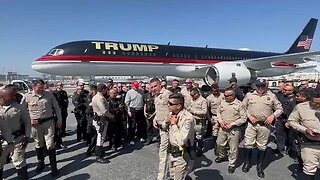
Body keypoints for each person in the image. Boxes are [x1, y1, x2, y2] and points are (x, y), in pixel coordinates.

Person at [241, 79, 283, 178]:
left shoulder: (271, 96)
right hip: (251, 124)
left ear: (265, 86)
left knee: (262, 146)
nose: (260, 88)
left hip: (265, 125)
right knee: (248, 143)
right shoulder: (249, 95)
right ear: (256, 86)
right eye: (258, 86)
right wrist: (249, 116)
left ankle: (260, 166)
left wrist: (272, 116)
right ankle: (247, 163)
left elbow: (280, 108)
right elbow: (242, 107)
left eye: (262, 86)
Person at [21, 79, 62, 176]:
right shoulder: (27, 97)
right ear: (33, 87)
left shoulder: (49, 95)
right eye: (39, 88)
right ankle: (41, 163)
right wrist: (29, 121)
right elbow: (22, 111)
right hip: (35, 125)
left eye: (43, 87)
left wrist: (59, 120)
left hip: (48, 123)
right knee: (39, 144)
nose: (42, 89)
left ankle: (54, 167)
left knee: (50, 144)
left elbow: (56, 108)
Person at [288, 89, 320, 180]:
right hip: (309, 144)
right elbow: (291, 121)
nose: (317, 106)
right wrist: (305, 130)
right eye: (315, 103)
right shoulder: (301, 107)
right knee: (309, 169)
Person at [0, 87, 31, 179]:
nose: (13, 98)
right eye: (11, 96)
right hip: (1, 141)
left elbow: (27, 122)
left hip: (17, 139)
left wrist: (27, 136)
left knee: (19, 161)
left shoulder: (19, 107)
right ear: (2, 96)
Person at [215, 88, 246, 174]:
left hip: (233, 129)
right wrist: (220, 121)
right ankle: (222, 156)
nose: (225, 97)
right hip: (223, 127)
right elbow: (218, 113)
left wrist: (232, 124)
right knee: (219, 144)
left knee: (233, 148)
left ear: (233, 95)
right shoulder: (222, 102)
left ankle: (232, 164)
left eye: (227, 96)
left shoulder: (239, 104)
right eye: (224, 95)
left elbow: (243, 118)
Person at [165, 93, 195, 180]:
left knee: (179, 178)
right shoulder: (172, 113)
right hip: (171, 152)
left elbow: (181, 141)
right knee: (173, 176)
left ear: (178, 106)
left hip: (182, 155)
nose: (168, 105)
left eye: (170, 104)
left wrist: (174, 124)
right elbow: (164, 126)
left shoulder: (187, 118)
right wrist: (166, 122)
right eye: (168, 103)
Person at [150, 78, 172, 180]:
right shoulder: (156, 96)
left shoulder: (168, 94)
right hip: (161, 128)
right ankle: (166, 174)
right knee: (165, 152)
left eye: (155, 86)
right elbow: (159, 110)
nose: (153, 89)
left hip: (169, 128)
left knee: (165, 152)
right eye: (151, 87)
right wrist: (155, 119)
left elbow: (174, 111)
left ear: (160, 85)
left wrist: (164, 122)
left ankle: (163, 176)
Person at [92, 83, 114, 163]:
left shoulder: (96, 97)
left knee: (100, 136)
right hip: (101, 120)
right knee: (100, 138)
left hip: (98, 119)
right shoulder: (100, 98)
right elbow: (104, 111)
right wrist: (112, 116)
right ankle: (99, 156)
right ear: (103, 89)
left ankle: (100, 152)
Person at [187, 87, 208, 157]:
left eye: (193, 95)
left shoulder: (203, 100)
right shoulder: (192, 100)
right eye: (191, 95)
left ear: (197, 93)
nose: (192, 97)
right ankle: (193, 148)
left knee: (199, 136)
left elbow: (204, 111)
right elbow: (189, 107)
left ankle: (199, 149)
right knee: (192, 135)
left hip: (199, 120)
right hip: (192, 120)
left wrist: (194, 111)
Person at [206, 83, 224, 155]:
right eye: (214, 91)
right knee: (215, 132)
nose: (216, 92)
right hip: (214, 116)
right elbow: (206, 109)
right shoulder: (209, 98)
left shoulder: (223, 96)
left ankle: (223, 147)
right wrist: (210, 119)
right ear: (212, 91)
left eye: (217, 91)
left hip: (223, 116)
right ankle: (216, 147)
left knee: (223, 131)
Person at [85, 85, 98, 157]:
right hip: (91, 118)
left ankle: (92, 149)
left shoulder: (92, 97)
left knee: (94, 135)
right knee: (93, 134)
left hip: (92, 117)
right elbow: (90, 108)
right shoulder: (89, 97)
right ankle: (90, 150)